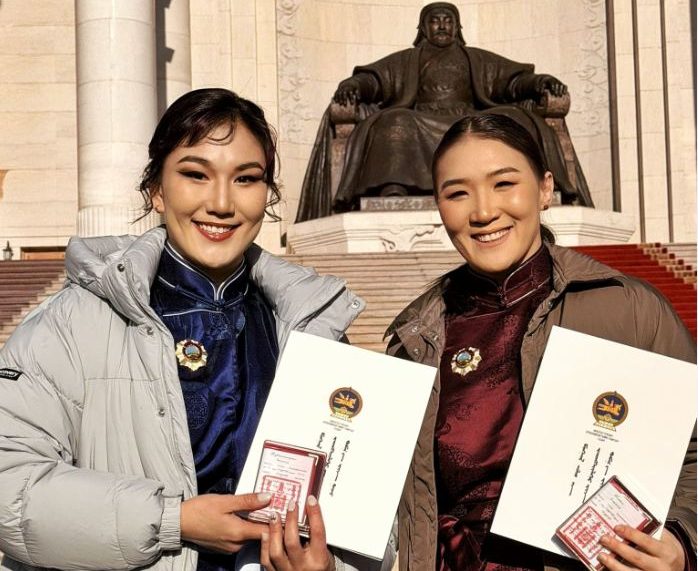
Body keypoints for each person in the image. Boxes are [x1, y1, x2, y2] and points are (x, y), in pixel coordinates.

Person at [0, 88, 392, 571]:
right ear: (156, 190)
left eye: (246, 178)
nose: (222, 203)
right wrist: (173, 520)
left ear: (267, 194)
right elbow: (10, 489)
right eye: (195, 174)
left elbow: (370, 517)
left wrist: (329, 568)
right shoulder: (71, 324)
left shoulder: (311, 326)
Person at [385, 112, 696, 571]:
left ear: (545, 189)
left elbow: (694, 453)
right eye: (457, 193)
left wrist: (683, 543)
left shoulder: (628, 310)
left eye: (504, 183)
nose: (483, 212)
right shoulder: (415, 336)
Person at [295, 2, 592, 223]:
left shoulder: (475, 58)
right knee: (395, 121)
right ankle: (394, 187)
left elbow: (513, 82)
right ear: (424, 28)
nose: (441, 26)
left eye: (447, 21)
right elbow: (375, 81)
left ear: (457, 27)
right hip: (422, 118)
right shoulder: (408, 59)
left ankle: (511, 185)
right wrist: (353, 85)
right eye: (435, 21)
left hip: (470, 119)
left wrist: (541, 82)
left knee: (511, 120)